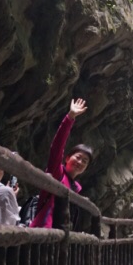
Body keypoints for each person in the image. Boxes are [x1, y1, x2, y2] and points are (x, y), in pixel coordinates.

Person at [31, 98, 93, 229]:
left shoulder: (76, 188)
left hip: (58, 241)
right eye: (78, 157)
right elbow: (57, 147)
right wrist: (70, 118)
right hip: (42, 232)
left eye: (85, 161)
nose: (80, 162)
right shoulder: (57, 172)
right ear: (67, 158)